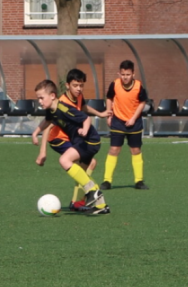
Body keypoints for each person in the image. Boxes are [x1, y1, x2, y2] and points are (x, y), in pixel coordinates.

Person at [32, 79, 110, 215]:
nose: (39, 101)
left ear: (52, 96)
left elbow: (86, 118)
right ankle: (101, 205)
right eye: (38, 98)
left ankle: (92, 191)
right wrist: (36, 132)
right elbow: (48, 120)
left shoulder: (63, 108)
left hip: (89, 141)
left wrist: (85, 130)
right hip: (83, 141)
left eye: (41, 98)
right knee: (82, 173)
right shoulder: (52, 110)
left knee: (64, 160)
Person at [102, 60, 149, 190]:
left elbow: (142, 102)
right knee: (114, 149)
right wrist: (109, 114)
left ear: (133, 74)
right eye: (123, 74)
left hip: (134, 123)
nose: (125, 77)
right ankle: (107, 181)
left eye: (128, 74)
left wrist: (133, 118)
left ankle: (139, 181)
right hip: (118, 121)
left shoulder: (138, 86)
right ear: (119, 73)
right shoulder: (115, 84)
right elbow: (109, 98)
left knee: (135, 150)